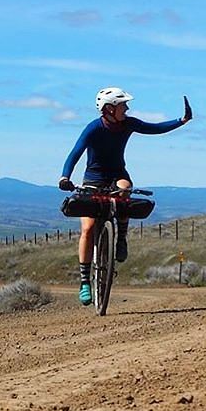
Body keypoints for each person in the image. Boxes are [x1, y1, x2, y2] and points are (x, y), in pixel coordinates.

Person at [59, 87, 193, 305]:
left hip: (117, 174)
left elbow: (154, 128)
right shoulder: (93, 128)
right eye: (123, 105)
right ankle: (84, 281)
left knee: (124, 192)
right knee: (88, 228)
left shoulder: (128, 124)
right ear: (109, 109)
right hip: (93, 179)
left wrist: (182, 120)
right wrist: (64, 177)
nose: (127, 108)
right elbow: (75, 153)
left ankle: (120, 237)